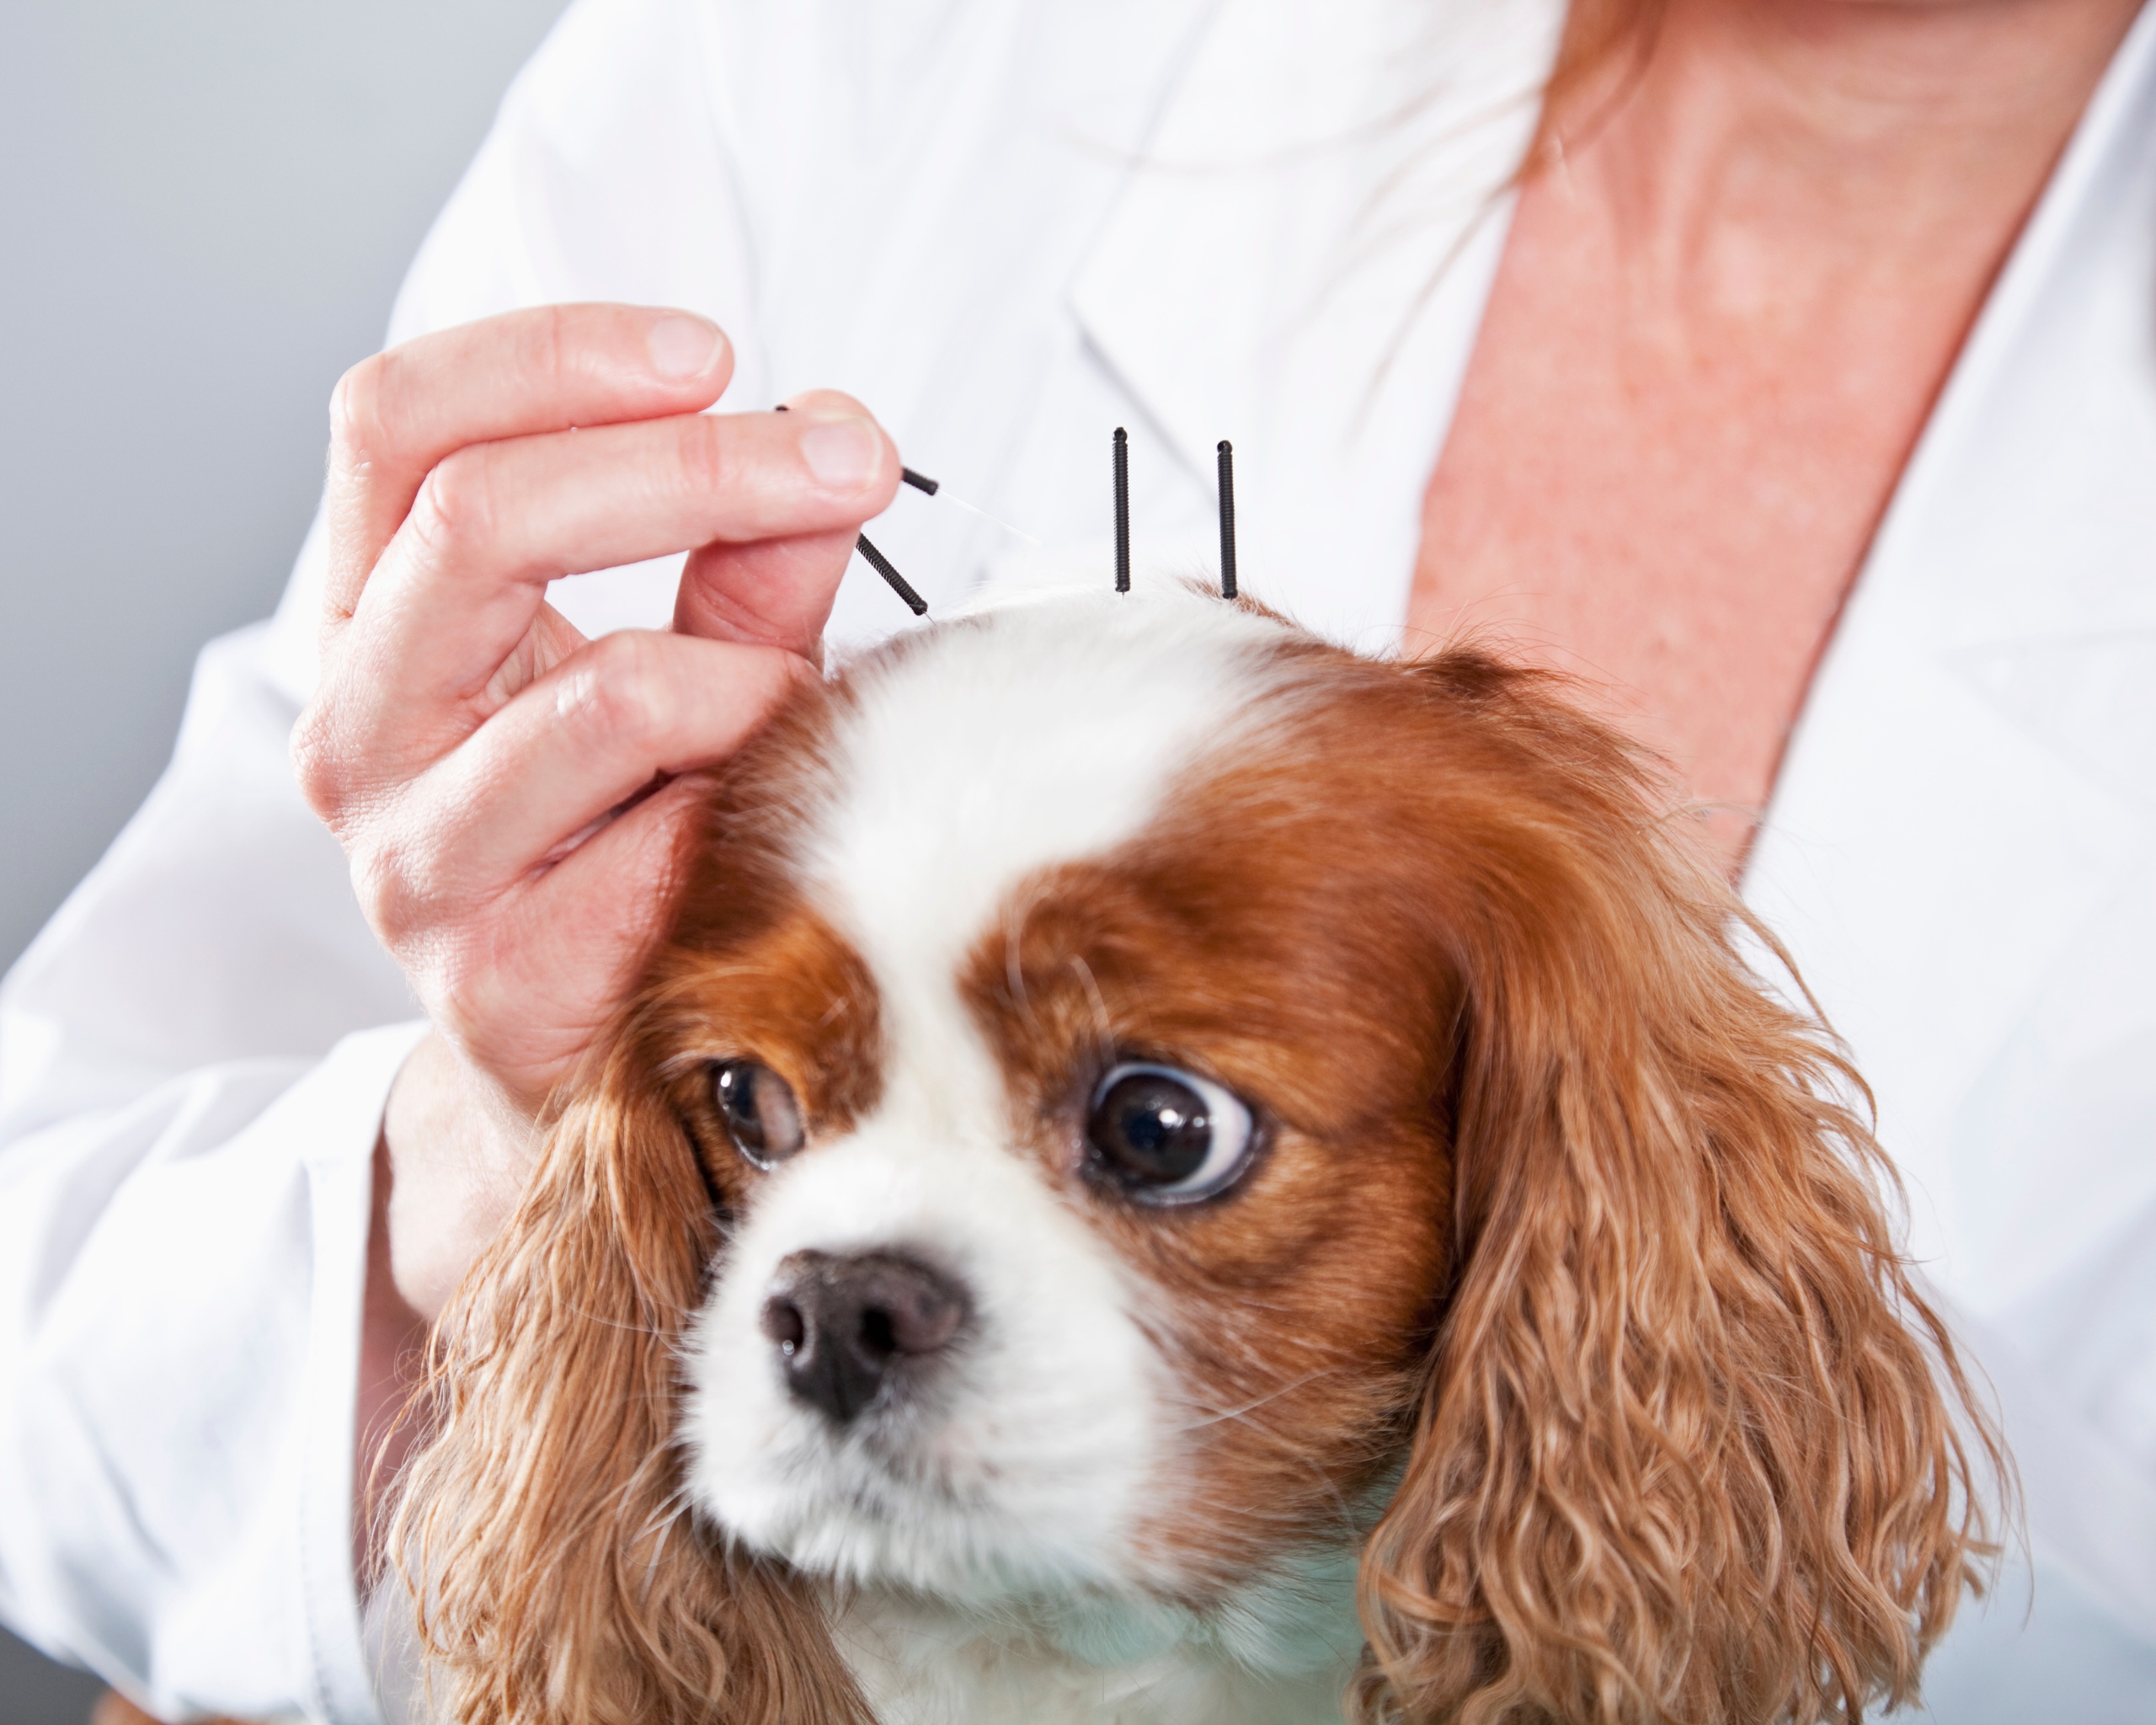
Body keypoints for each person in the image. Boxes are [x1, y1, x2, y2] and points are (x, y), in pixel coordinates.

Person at [2, 0, 2151, 1719]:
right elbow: (54, 1305)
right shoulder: (863, 56)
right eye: (756, 1110)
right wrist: (508, 1155)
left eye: (1154, 1126)